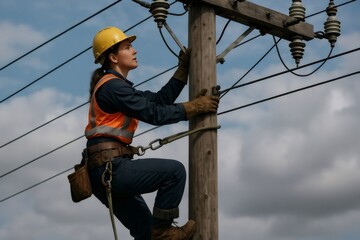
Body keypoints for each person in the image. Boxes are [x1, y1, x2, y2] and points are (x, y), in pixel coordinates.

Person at [85, 26, 219, 240]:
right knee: (174, 173)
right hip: (111, 168)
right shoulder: (113, 88)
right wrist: (195, 107)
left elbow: (159, 100)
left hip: (105, 170)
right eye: (128, 47)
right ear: (113, 57)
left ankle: (160, 233)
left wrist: (182, 71)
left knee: (147, 235)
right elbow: (154, 113)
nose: (134, 50)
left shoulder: (119, 88)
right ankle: (164, 230)